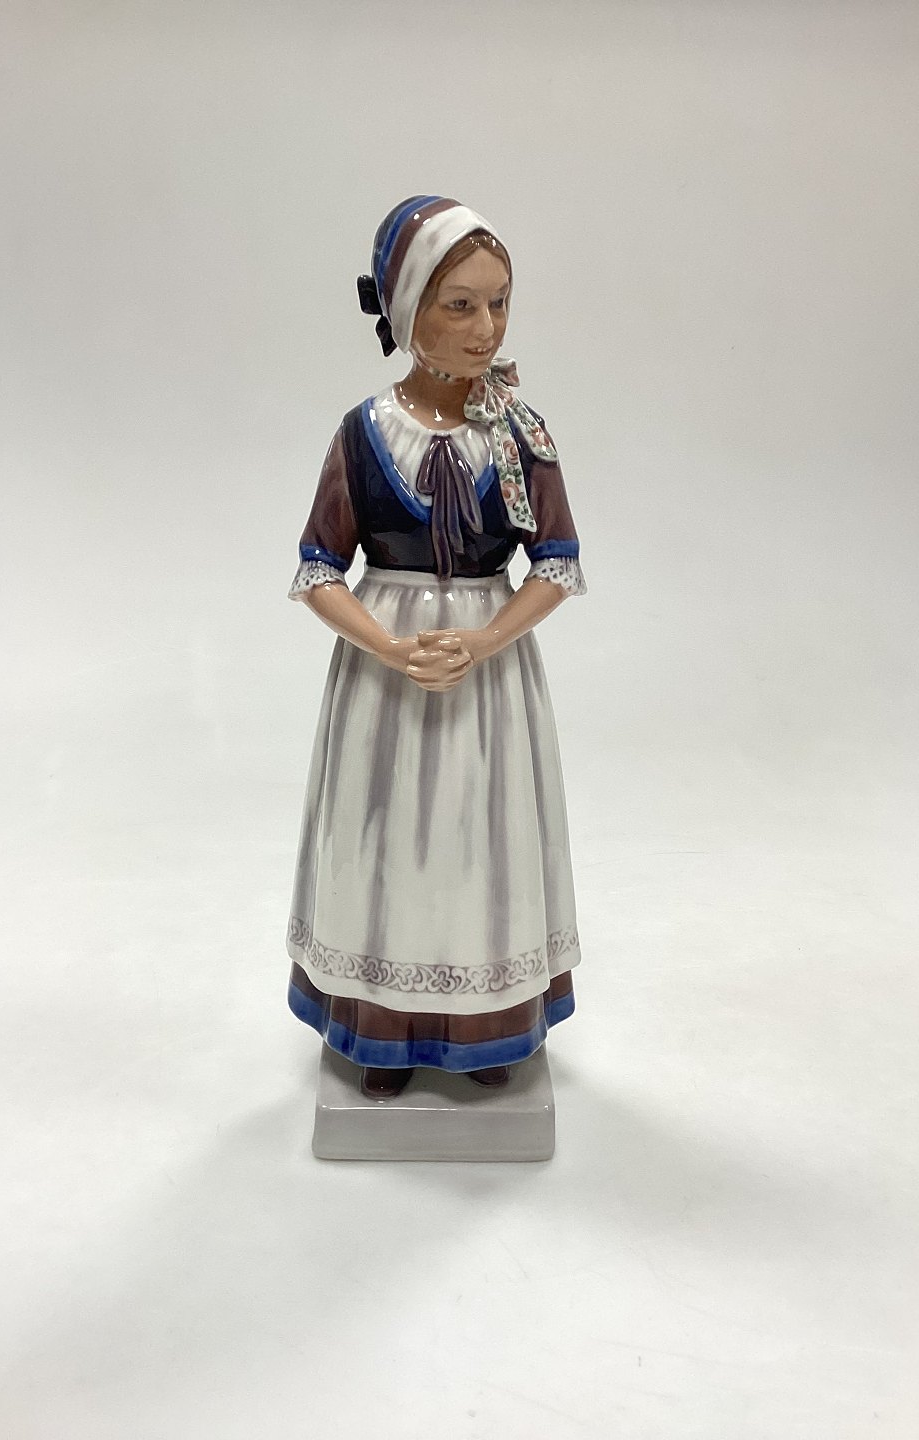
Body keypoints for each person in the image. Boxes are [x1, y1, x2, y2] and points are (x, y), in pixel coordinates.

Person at [286, 195, 586, 1100]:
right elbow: (318, 568)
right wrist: (389, 648)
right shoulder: (361, 434)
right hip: (387, 681)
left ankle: (484, 1021)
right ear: (408, 308)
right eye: (461, 305)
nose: (486, 327)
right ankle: (384, 1023)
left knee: (481, 840)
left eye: (499, 302)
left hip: (488, 683)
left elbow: (557, 562)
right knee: (384, 841)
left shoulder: (519, 434)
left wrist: (486, 640)